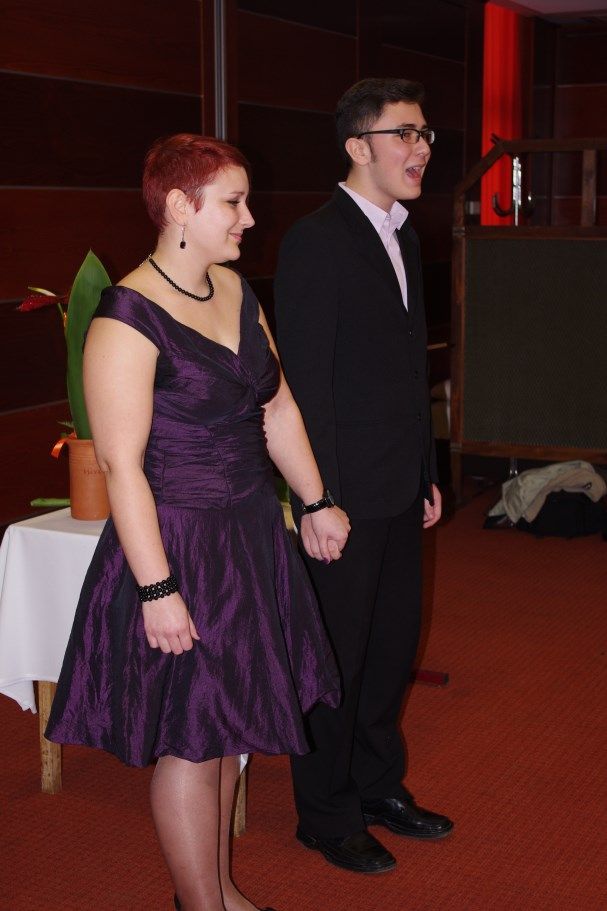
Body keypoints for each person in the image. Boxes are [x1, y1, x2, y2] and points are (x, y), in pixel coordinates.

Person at [45, 133, 350, 911]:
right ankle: (201, 905)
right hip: (176, 543)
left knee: (225, 729)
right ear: (180, 206)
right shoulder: (126, 316)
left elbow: (277, 407)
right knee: (191, 736)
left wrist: (314, 500)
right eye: (233, 203)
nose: (248, 218)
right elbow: (121, 466)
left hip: (247, 533)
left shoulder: (235, 291)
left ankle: (218, 893)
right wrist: (157, 590)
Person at [274, 78, 454, 875]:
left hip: (397, 485)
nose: (420, 148)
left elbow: (405, 370)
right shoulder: (316, 240)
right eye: (403, 133)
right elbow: (304, 385)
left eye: (424, 134)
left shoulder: (403, 235)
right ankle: (324, 812)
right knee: (335, 660)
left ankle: (378, 785)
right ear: (357, 146)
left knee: (388, 650)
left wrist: (424, 471)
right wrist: (315, 499)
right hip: (340, 493)